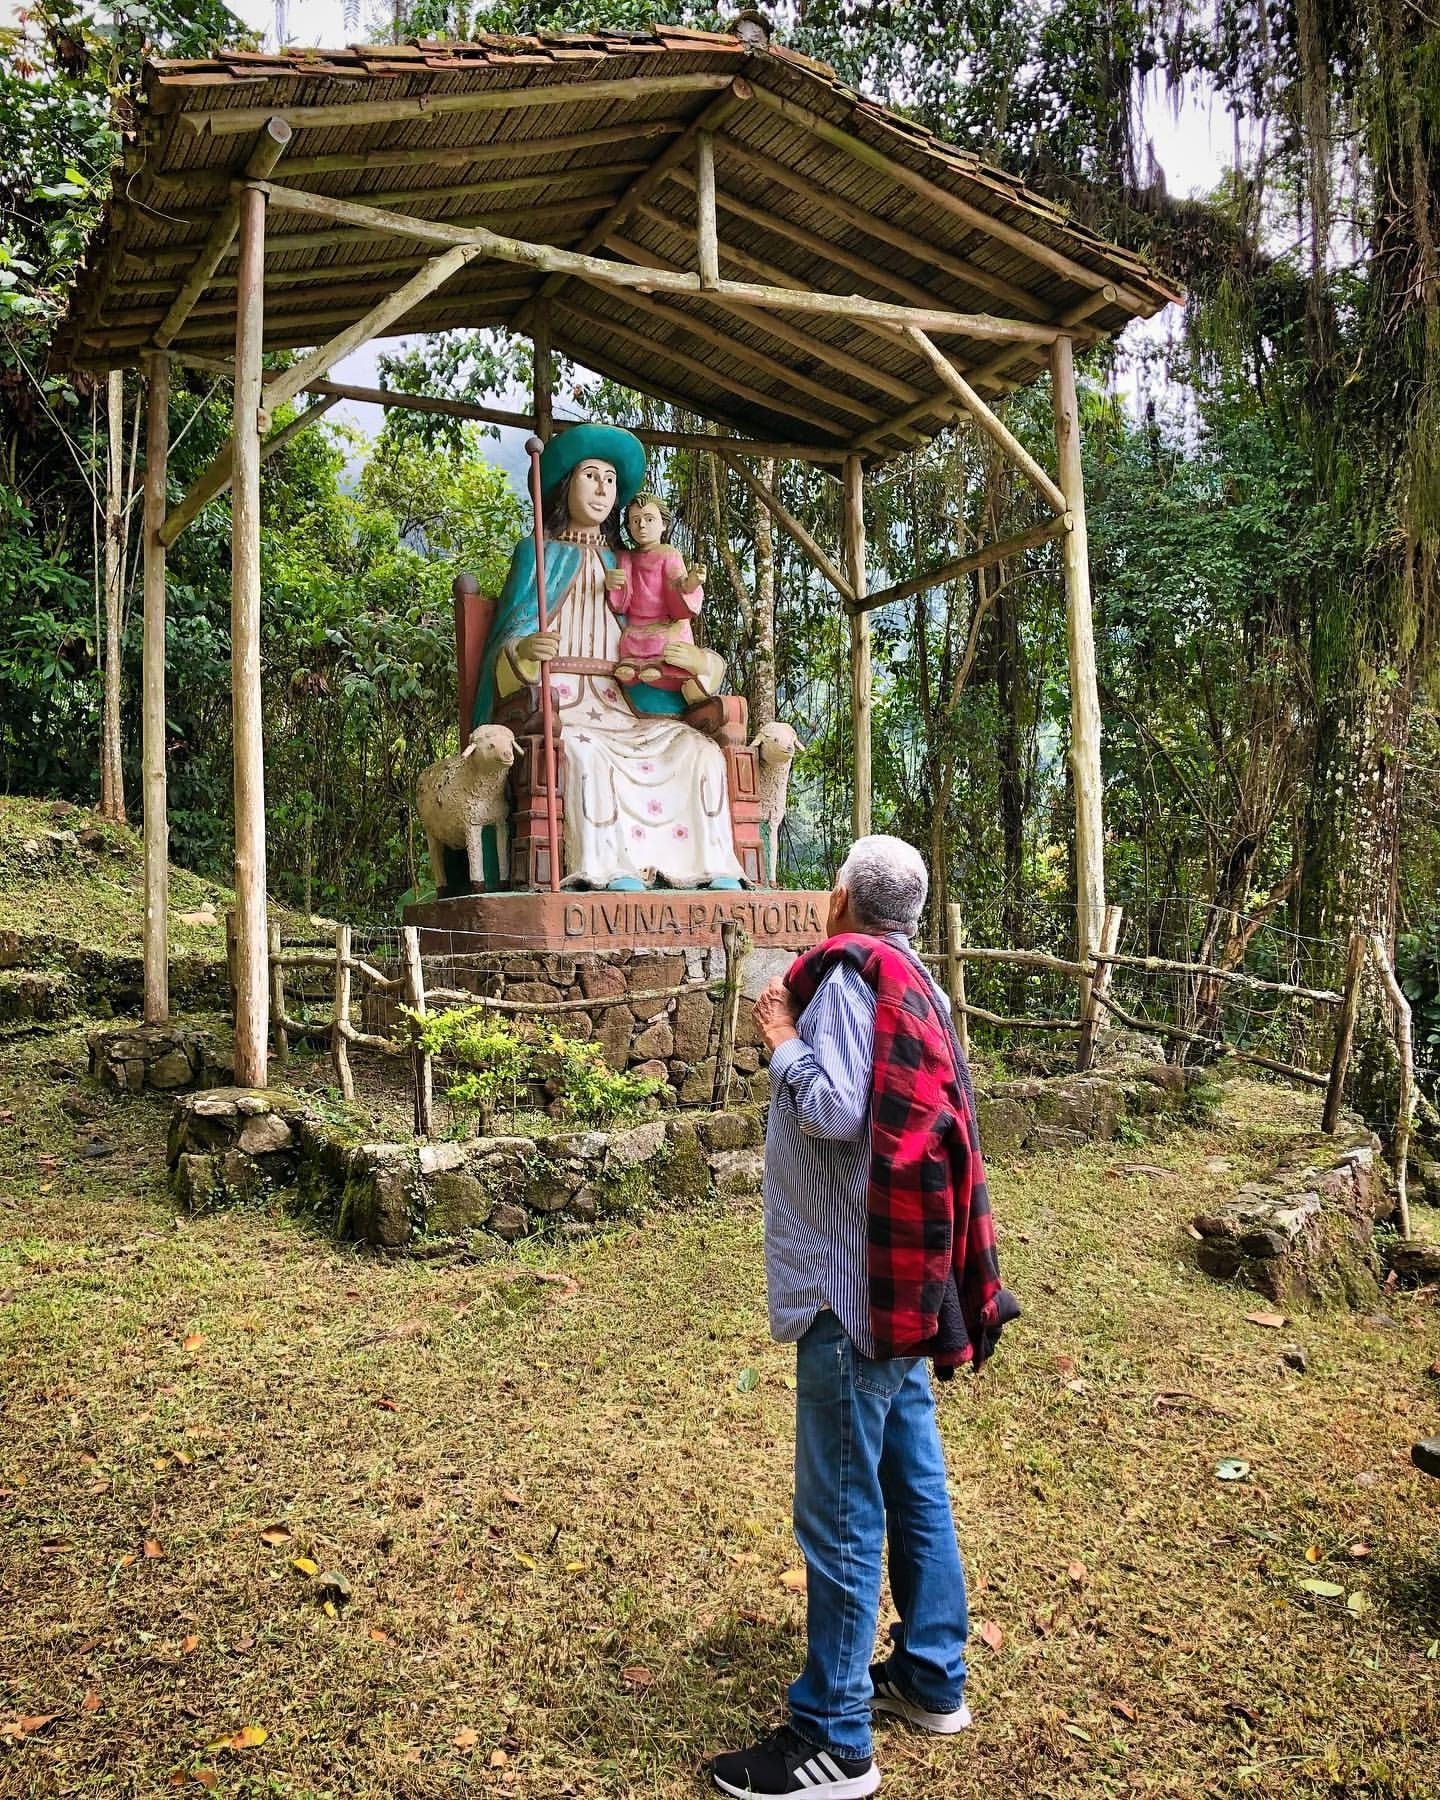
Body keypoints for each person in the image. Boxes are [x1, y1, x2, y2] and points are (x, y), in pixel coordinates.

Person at [711, 835, 1018, 1800]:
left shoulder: (845, 980)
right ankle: (932, 1676)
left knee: (840, 1506)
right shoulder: (916, 977)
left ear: (841, 896)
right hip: (903, 1284)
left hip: (852, 1294)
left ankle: (835, 1738)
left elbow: (838, 1112)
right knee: (911, 1479)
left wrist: (781, 1039)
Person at [470, 425, 745, 893]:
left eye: (610, 480)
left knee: (696, 751)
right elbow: (505, 641)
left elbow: (667, 627)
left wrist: (699, 661)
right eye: (590, 476)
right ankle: (608, 867)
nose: (602, 488)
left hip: (627, 699)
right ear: (565, 485)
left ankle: (707, 865)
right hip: (560, 704)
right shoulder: (539, 555)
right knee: (584, 753)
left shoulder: (630, 562)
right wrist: (522, 651)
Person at [605, 490, 725, 701]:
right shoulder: (626, 557)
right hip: (637, 626)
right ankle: (634, 668)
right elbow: (620, 602)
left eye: (649, 519)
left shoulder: (668, 554)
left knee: (666, 644)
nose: (642, 525)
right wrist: (614, 584)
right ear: (629, 527)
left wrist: (692, 583)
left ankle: (663, 672)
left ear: (663, 524)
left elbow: (677, 585)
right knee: (628, 641)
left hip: (665, 624)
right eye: (635, 520)